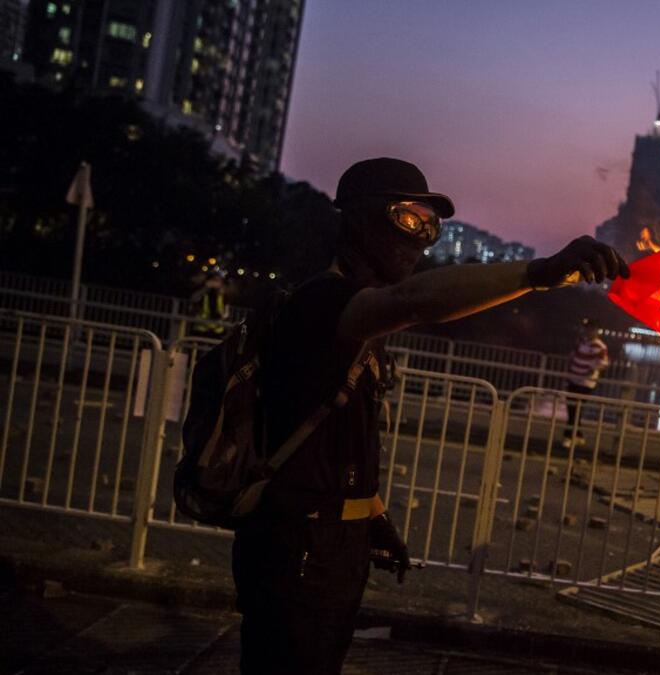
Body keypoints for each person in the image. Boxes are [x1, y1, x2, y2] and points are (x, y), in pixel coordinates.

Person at [232, 157, 629, 675]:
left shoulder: (359, 321)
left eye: (431, 225)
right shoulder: (321, 302)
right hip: (295, 548)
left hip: (333, 546)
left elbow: (340, 438)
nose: (421, 237)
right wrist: (539, 273)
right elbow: (417, 300)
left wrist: (371, 519)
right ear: (358, 219)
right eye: (407, 217)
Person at [561, 318, 609, 448]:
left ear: (596, 331)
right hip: (573, 378)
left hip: (586, 383)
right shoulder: (580, 342)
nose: (588, 331)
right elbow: (573, 356)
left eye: (591, 329)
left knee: (575, 408)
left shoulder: (600, 346)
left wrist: (592, 369)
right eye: (587, 328)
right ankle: (578, 436)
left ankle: (569, 436)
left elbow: (603, 363)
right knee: (572, 408)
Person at [190, 271, 229, 337]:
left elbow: (227, 311)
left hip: (217, 329)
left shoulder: (223, 295)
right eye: (214, 280)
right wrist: (206, 288)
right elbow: (193, 299)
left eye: (219, 281)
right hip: (201, 328)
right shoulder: (204, 292)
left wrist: (224, 316)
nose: (216, 283)